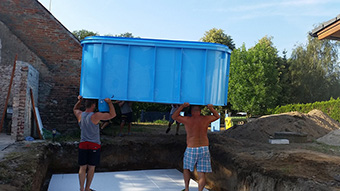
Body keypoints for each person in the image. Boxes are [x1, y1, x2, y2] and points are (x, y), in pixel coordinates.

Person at [172, 102, 220, 191]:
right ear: (200, 111)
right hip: (204, 148)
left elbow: (174, 117)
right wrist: (211, 108)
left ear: (191, 111)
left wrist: (182, 106)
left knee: (186, 168)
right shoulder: (205, 119)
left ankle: (186, 189)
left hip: (192, 148)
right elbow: (217, 116)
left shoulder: (187, 119)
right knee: (201, 173)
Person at [73, 96, 116, 191]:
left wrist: (79, 101)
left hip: (83, 144)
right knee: (91, 168)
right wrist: (109, 103)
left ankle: (81, 189)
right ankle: (87, 188)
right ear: (93, 105)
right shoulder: (96, 116)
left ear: (85, 105)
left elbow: (75, 109)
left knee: (82, 167)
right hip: (94, 145)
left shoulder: (80, 114)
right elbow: (112, 115)